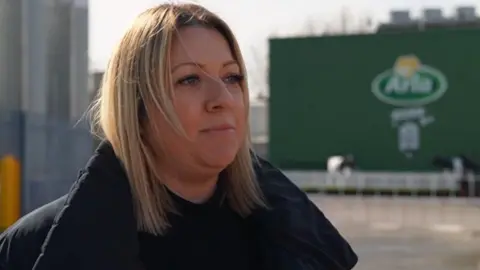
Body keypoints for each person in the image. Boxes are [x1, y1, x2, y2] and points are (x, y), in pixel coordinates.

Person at [0, 3, 357, 270]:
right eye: (189, 79)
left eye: (232, 77)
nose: (222, 99)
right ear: (136, 107)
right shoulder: (33, 248)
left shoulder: (294, 237)